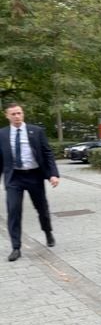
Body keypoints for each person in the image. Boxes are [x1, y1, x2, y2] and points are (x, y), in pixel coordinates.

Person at [0, 103, 60, 262]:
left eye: (19, 113)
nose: (17, 116)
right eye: (13, 114)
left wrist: (53, 174)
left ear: (23, 114)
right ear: (7, 116)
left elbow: (47, 153)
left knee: (42, 208)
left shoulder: (36, 131)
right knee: (13, 211)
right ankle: (16, 247)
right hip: (14, 178)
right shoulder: (2, 134)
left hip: (34, 176)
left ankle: (47, 231)